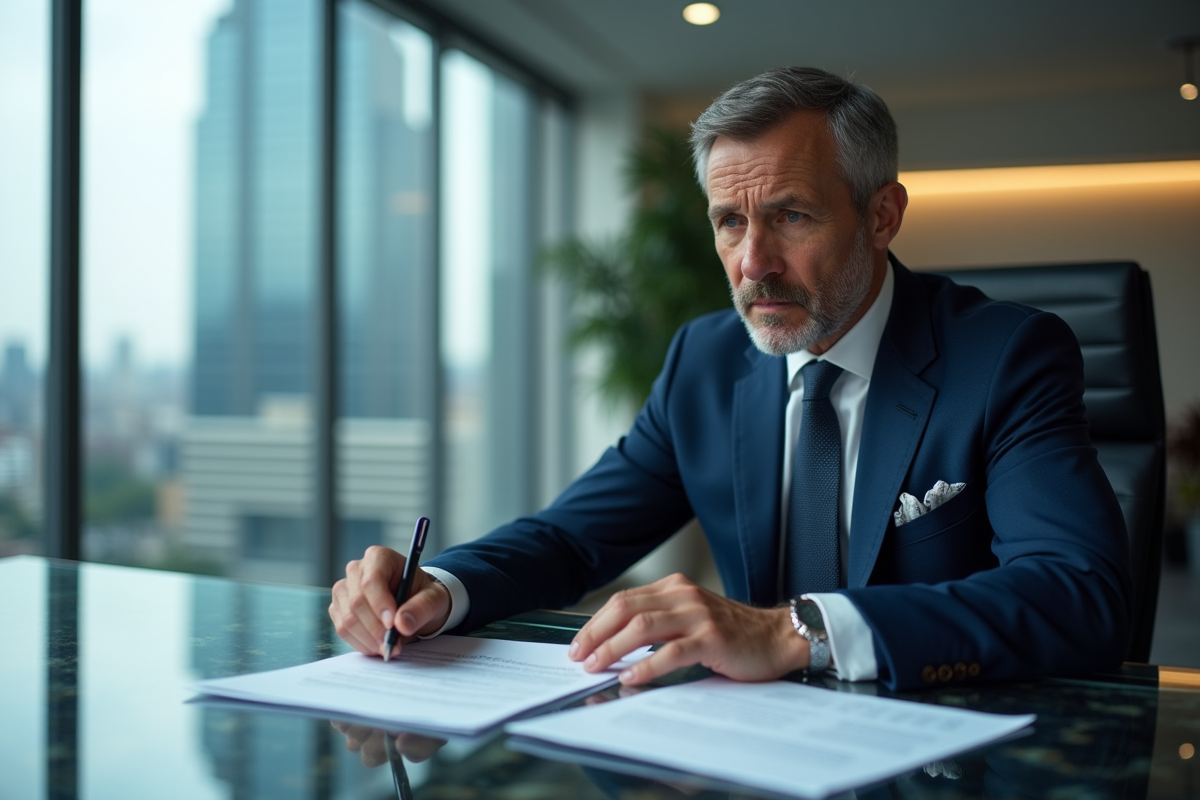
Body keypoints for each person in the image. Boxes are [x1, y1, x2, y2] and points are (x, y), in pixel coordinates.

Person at [329, 66, 1131, 691]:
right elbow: (573, 536)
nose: (753, 264)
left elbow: (1078, 594)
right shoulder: (704, 361)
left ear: (882, 215)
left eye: (791, 215)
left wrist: (793, 632)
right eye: (729, 221)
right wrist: (442, 583)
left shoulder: (1009, 356)